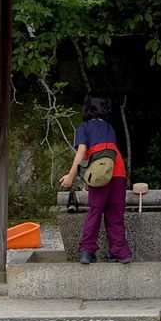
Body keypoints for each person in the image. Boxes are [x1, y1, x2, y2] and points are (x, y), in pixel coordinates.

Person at [59, 93, 133, 265]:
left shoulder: (85, 127)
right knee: (115, 213)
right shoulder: (110, 127)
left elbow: (82, 152)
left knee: (95, 211)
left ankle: (87, 250)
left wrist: (71, 175)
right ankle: (120, 252)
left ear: (88, 108)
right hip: (118, 170)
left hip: (100, 173)